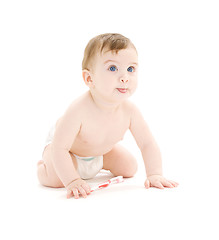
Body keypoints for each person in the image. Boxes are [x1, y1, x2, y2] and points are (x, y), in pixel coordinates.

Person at [37, 33, 178, 199]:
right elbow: (60, 148)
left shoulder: (130, 111)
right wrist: (72, 181)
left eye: (131, 69)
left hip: (100, 153)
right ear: (89, 78)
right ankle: (43, 167)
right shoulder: (78, 110)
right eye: (113, 68)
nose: (125, 77)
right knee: (56, 178)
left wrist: (155, 174)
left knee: (129, 167)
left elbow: (147, 143)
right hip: (66, 152)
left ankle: (99, 163)